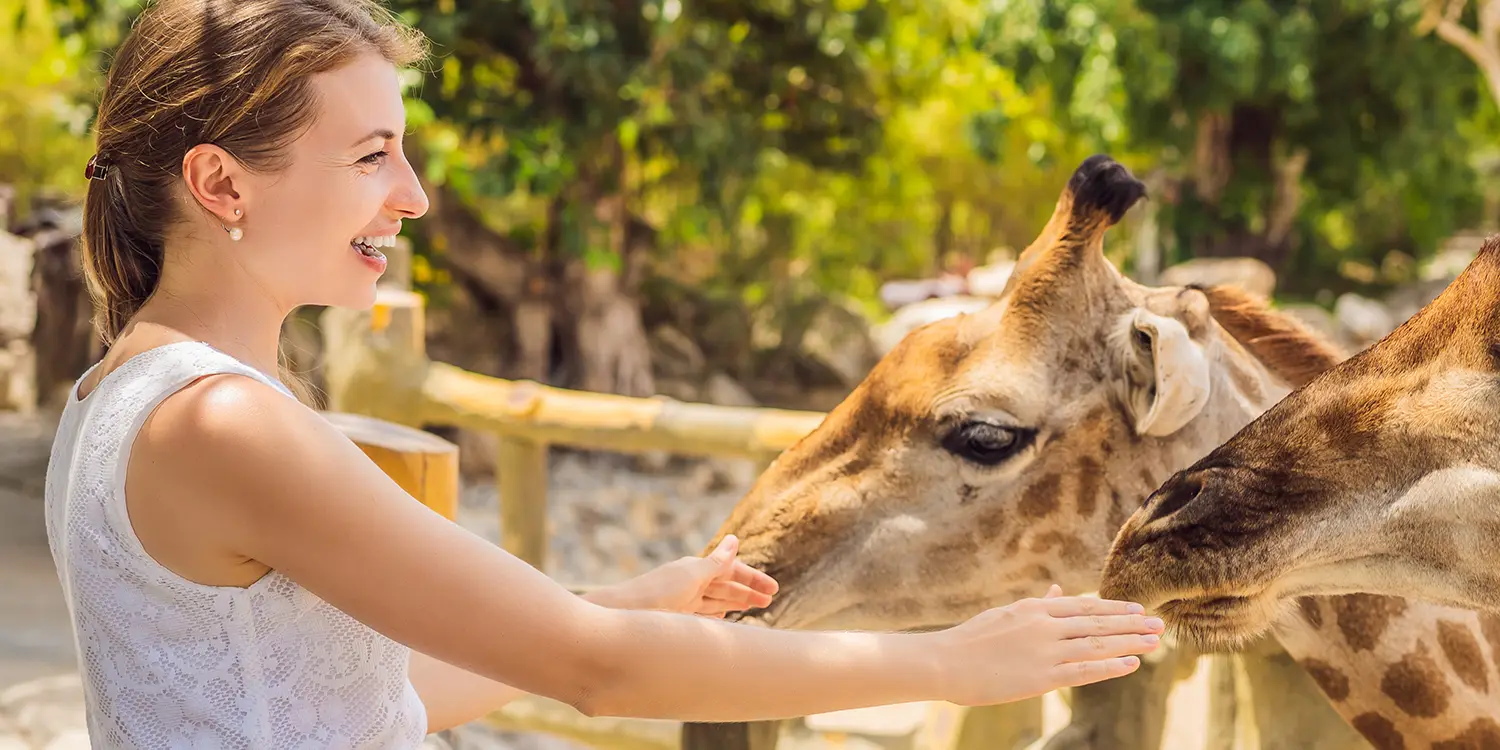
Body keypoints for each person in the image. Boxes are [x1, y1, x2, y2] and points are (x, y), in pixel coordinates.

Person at [49, 0, 1165, 747]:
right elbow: (603, 676)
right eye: (369, 154)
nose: (415, 195)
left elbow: (371, 704)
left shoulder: (115, 395)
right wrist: (952, 664)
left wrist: (636, 596)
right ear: (222, 183)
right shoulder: (225, 424)